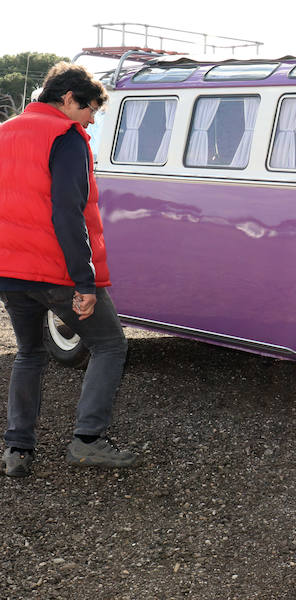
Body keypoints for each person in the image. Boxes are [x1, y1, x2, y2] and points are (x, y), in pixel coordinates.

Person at [0, 62, 137, 477]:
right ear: (68, 99)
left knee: (29, 353)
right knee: (111, 344)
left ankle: (17, 451)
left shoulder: (4, 133)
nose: (93, 119)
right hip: (56, 270)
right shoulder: (66, 137)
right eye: (91, 109)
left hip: (9, 269)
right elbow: (67, 213)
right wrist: (85, 281)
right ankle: (87, 442)